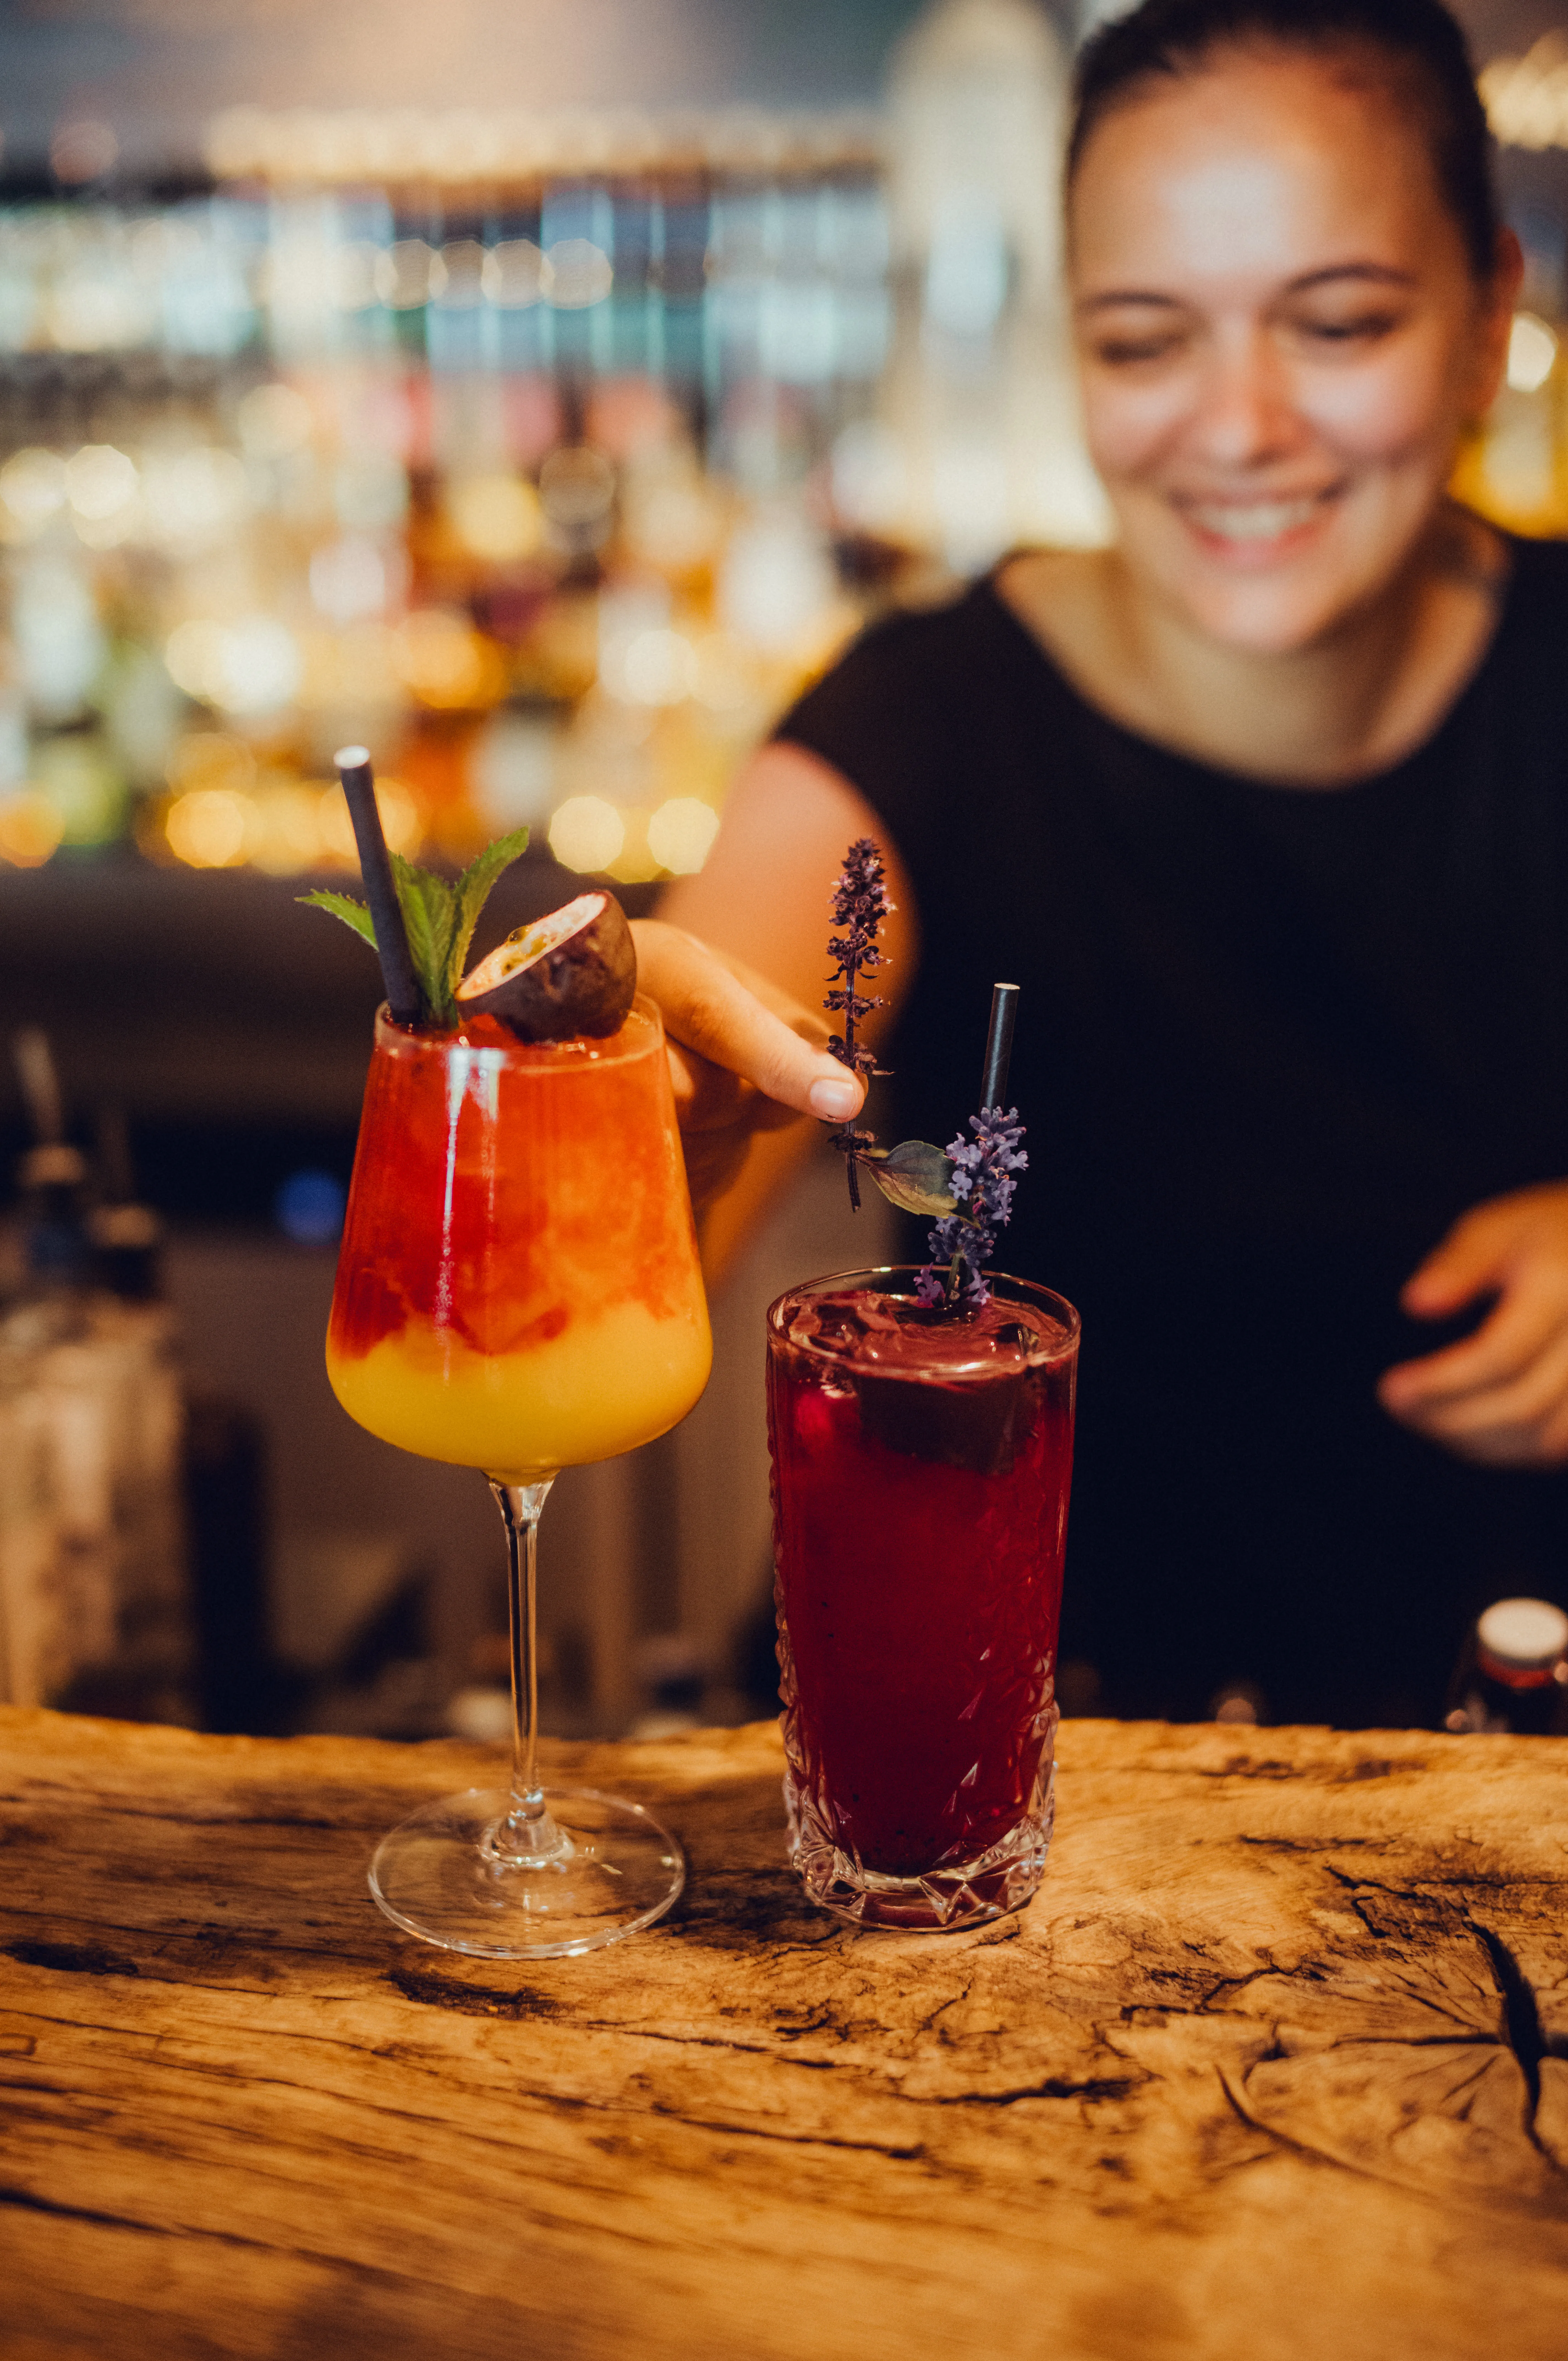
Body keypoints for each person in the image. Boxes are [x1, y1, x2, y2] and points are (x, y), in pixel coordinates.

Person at [631, 0, 1568, 1725]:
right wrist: (631, 1125)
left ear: (1493, 306)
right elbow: (703, 1052)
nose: (1240, 425)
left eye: (1340, 322)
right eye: (1145, 345)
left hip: (1503, 1780)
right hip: (994, 1782)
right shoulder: (918, 728)